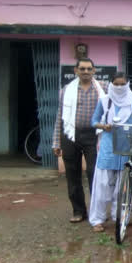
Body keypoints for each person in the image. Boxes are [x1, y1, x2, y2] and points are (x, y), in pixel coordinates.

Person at [88, 72, 132, 232]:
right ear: (111, 84)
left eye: (123, 84)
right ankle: (97, 219)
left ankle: (120, 218)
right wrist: (103, 126)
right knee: (102, 185)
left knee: (122, 186)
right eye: (116, 84)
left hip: (126, 145)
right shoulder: (104, 100)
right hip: (108, 146)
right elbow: (94, 121)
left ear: (128, 84)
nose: (120, 87)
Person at [52, 57, 106, 223]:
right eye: (82, 69)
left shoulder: (103, 89)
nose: (86, 72)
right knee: (72, 175)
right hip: (70, 135)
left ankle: (96, 213)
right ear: (76, 70)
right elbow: (60, 116)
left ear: (94, 71)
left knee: (93, 174)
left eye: (89, 69)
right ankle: (78, 211)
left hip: (94, 135)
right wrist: (56, 142)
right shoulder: (66, 90)